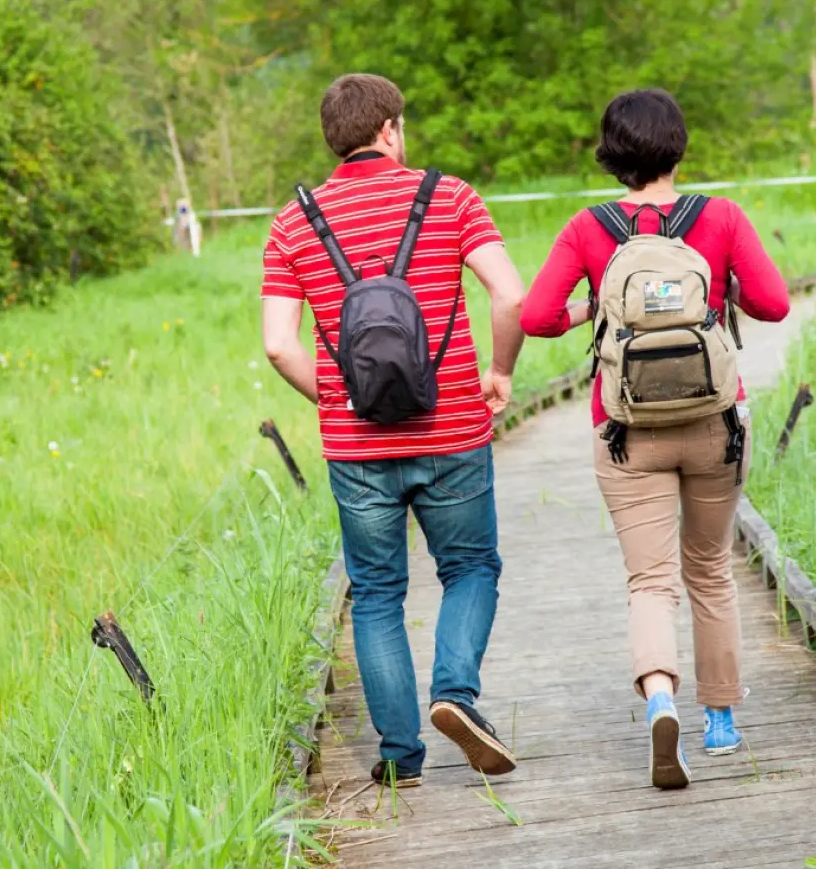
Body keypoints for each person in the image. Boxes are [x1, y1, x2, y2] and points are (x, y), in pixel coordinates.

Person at [261, 73, 528, 788]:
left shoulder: (294, 222)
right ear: (390, 130)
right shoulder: (450, 196)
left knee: (376, 592)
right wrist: (499, 372)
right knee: (471, 568)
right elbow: (510, 294)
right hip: (452, 433)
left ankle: (399, 756)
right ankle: (455, 694)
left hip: (356, 447)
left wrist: (342, 396)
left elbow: (279, 345)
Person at [520, 89, 789, 789]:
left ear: (612, 154)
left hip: (625, 432)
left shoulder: (589, 227)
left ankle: (661, 696)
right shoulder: (721, 217)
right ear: (678, 146)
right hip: (715, 424)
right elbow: (774, 302)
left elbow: (537, 315)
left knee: (650, 580)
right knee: (709, 569)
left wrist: (593, 308)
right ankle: (723, 719)